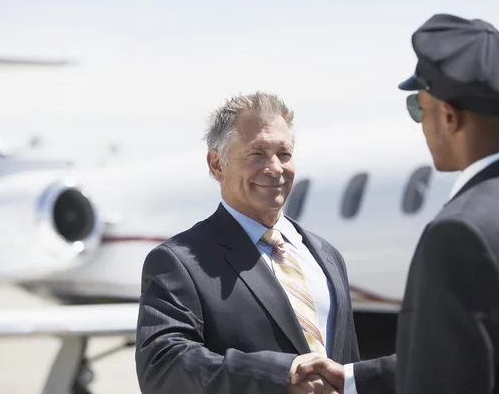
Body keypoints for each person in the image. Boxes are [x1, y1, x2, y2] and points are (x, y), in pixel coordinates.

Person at [292, 13, 499, 394]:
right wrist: (355, 378)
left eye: (418, 109)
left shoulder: (462, 232)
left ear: (448, 117)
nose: (421, 124)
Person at [135, 91, 362, 394]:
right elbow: (163, 365)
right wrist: (280, 376)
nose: (275, 168)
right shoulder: (178, 262)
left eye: (284, 153)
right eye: (256, 153)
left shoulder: (327, 257)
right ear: (216, 165)